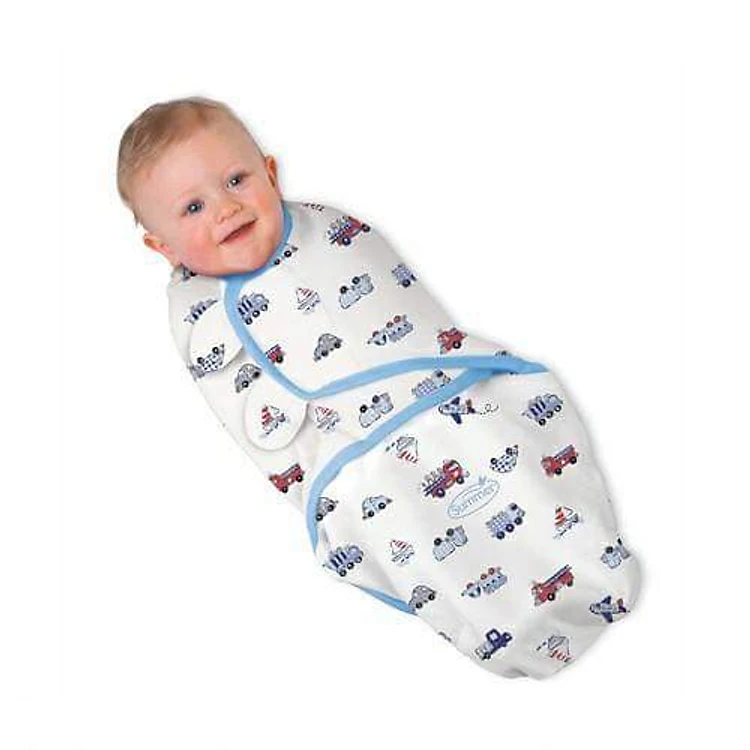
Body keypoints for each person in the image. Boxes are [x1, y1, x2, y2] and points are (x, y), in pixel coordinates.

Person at [117, 96, 641, 679]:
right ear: (162, 247)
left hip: (444, 392)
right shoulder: (202, 319)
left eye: (236, 179)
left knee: (507, 452)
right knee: (404, 523)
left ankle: (587, 556)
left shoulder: (327, 233)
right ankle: (493, 623)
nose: (226, 207)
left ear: (271, 172)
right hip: (353, 459)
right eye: (193, 207)